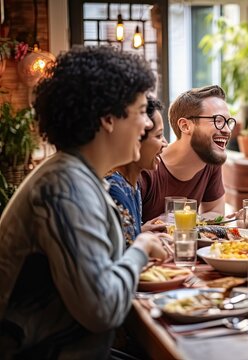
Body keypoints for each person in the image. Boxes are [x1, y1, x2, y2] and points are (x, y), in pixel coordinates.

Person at [0, 46, 168, 358]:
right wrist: (142, 248)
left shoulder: (80, 177)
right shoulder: (66, 188)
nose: (147, 125)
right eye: (142, 111)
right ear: (108, 118)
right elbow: (103, 309)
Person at [140, 85, 234, 222]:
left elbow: (215, 212)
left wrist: (186, 221)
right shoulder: (147, 166)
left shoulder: (209, 159)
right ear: (185, 126)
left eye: (228, 122)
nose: (227, 130)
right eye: (218, 121)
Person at [107, 95, 168, 246]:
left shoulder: (133, 184)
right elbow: (123, 254)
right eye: (159, 135)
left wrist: (140, 231)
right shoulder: (115, 188)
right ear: (137, 137)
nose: (165, 143)